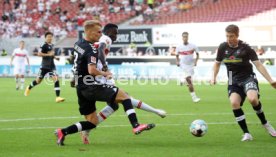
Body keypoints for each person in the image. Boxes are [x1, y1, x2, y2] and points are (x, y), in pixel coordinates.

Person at [55, 20, 155, 146]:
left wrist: (74, 79)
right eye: (98, 32)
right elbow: (92, 70)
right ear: (89, 32)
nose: (100, 34)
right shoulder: (91, 49)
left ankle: (62, 132)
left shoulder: (78, 44)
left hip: (80, 87)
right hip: (91, 86)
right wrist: (105, 73)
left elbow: (78, 65)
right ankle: (136, 125)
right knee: (124, 96)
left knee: (92, 122)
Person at [80, 23, 166, 144]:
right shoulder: (106, 38)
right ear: (108, 32)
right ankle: (149, 116)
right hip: (101, 76)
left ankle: (87, 129)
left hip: (96, 75)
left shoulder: (99, 39)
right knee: (125, 97)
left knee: (114, 105)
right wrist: (105, 67)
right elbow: (100, 49)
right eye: (115, 32)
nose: (116, 35)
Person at [211, 24, 276, 141]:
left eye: (231, 36)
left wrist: (270, 80)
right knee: (234, 103)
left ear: (237, 35)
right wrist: (213, 77)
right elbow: (216, 63)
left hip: (248, 77)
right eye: (227, 36)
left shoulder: (246, 48)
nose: (229, 39)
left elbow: (258, 65)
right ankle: (246, 133)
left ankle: (265, 123)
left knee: (253, 99)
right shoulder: (222, 47)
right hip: (232, 79)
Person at [24, 32, 65, 103]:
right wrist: (49, 55)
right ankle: (29, 87)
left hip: (52, 67)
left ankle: (58, 97)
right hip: (44, 66)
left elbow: (51, 54)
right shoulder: (43, 45)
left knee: (56, 79)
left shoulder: (52, 45)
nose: (50, 38)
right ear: (45, 38)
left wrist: (55, 58)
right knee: (38, 81)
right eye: (48, 37)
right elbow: (39, 54)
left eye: (51, 37)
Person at [176, 32, 200, 103]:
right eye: (184, 37)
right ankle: (194, 98)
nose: (185, 38)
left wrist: (196, 61)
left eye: (186, 37)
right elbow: (177, 55)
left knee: (187, 79)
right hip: (183, 65)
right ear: (182, 38)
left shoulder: (193, 46)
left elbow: (198, 54)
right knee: (189, 81)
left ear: (188, 37)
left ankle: (182, 80)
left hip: (191, 65)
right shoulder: (179, 47)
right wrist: (177, 61)